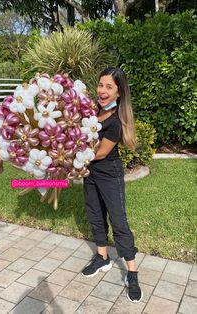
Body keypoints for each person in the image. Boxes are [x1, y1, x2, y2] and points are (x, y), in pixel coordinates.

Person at [81, 67, 143, 303]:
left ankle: (132, 272)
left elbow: (100, 153)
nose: (102, 90)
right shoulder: (92, 112)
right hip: (90, 173)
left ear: (118, 92)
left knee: (119, 222)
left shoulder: (116, 121)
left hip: (109, 173)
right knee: (95, 214)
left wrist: (71, 153)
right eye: (100, 85)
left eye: (109, 87)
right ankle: (102, 257)